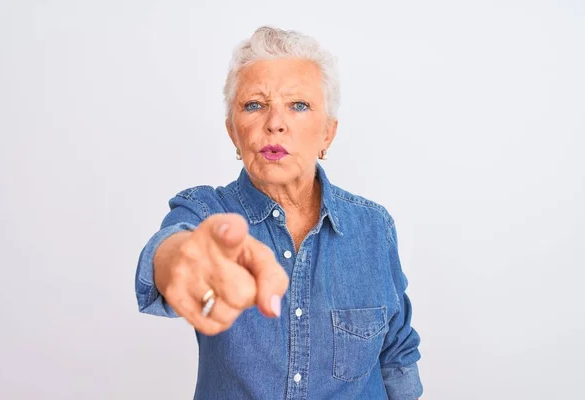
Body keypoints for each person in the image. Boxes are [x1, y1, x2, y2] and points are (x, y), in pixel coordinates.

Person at [135, 26, 423, 400]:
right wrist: (183, 260)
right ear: (233, 133)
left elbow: (397, 359)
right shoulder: (207, 212)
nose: (275, 123)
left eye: (298, 105)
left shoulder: (373, 227)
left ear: (327, 135)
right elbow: (170, 251)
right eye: (254, 104)